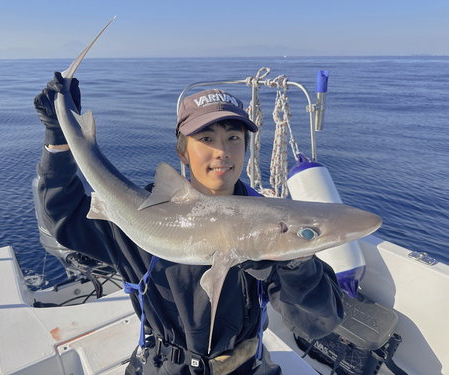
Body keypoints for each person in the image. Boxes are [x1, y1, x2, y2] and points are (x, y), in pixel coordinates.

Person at [34, 72, 344, 375]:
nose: (222, 151)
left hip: (244, 366)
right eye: (206, 138)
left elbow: (319, 321)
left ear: (245, 148)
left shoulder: (272, 226)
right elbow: (62, 216)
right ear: (183, 151)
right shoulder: (138, 212)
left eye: (233, 138)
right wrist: (59, 144)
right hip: (162, 365)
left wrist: (297, 262)